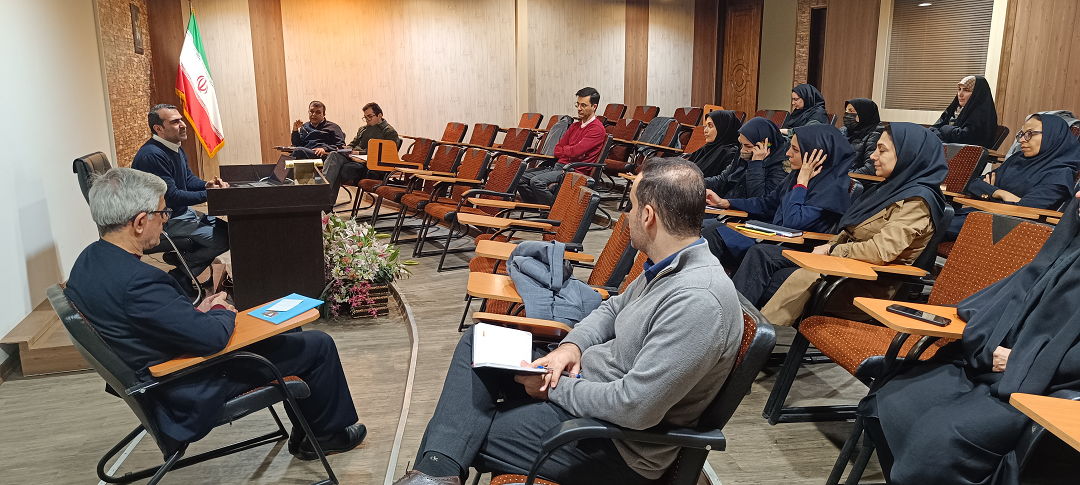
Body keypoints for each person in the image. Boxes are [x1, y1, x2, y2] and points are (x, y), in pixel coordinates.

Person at [391, 158, 744, 485]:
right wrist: (570, 348)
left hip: (615, 444)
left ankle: (433, 473)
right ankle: (434, 476)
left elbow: (634, 407)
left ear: (649, 215)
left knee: (462, 432)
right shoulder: (669, 264)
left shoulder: (698, 300)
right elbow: (611, 309)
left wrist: (553, 388)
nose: (627, 216)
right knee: (479, 341)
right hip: (588, 390)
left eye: (632, 206)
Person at [66, 167, 365, 461]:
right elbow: (212, 338)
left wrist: (195, 312)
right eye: (162, 213)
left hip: (169, 364)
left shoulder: (89, 260)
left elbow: (146, 320)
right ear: (141, 222)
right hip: (186, 386)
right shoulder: (138, 282)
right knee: (319, 346)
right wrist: (222, 309)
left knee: (289, 329)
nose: (166, 219)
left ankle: (308, 430)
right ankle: (326, 437)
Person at [858, 191, 1080, 485]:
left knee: (938, 441)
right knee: (893, 394)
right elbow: (1001, 301)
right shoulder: (1066, 247)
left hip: (1042, 391)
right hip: (989, 367)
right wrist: (988, 342)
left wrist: (1024, 362)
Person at [732, 123, 946, 327]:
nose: (873, 156)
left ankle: (743, 335)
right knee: (761, 253)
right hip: (839, 267)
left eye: (881, 150)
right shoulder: (891, 189)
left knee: (765, 278)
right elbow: (848, 231)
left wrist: (831, 250)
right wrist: (828, 250)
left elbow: (880, 251)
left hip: (860, 284)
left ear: (909, 154)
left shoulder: (917, 202)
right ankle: (734, 325)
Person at [703, 124, 853, 270]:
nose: (788, 153)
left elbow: (793, 222)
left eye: (795, 149)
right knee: (712, 231)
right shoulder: (796, 175)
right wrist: (726, 202)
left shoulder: (832, 188)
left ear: (816, 154)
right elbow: (768, 203)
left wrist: (801, 184)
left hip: (796, 247)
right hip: (774, 237)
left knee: (743, 246)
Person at [131, 104, 229, 289]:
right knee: (224, 240)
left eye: (181, 120)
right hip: (163, 219)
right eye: (175, 122)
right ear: (158, 128)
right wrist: (210, 195)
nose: (183, 125)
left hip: (181, 214)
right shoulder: (152, 156)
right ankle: (179, 275)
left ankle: (181, 261)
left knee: (231, 231)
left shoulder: (174, 146)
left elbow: (188, 179)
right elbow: (172, 197)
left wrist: (207, 185)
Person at [948, 114, 1080, 239]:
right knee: (940, 218)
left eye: (1030, 134)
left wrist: (988, 194)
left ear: (1052, 136)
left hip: (1005, 230)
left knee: (939, 224)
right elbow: (975, 184)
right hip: (978, 216)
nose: (1022, 140)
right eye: (1022, 134)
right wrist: (1001, 193)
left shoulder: (1059, 174)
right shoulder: (1017, 159)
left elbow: (1024, 208)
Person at [518, 87, 607, 206]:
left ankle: (553, 210)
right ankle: (540, 207)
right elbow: (557, 149)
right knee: (519, 177)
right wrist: (570, 151)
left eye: (583, 105)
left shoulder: (596, 129)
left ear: (594, 106)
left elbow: (575, 151)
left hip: (574, 170)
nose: (579, 108)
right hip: (559, 166)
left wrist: (569, 151)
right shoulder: (574, 126)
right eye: (578, 104)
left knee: (537, 182)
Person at [704, 117, 790, 201]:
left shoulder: (782, 164)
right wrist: (698, 182)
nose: (742, 150)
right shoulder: (745, 153)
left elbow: (759, 200)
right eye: (742, 144)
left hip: (739, 208)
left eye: (747, 146)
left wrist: (756, 164)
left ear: (766, 146)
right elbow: (722, 180)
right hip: (728, 203)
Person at [929, 75, 998, 149]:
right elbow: (932, 130)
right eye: (959, 89)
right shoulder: (953, 109)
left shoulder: (982, 114)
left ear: (977, 93)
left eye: (966, 90)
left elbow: (964, 137)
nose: (960, 94)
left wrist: (944, 128)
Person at [685, 110, 742, 178]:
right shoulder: (705, 149)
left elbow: (723, 182)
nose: (705, 131)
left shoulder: (731, 153)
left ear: (723, 128)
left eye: (710, 126)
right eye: (706, 126)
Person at [842, 98, 883, 175]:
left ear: (863, 113)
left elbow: (870, 169)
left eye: (851, 111)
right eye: (846, 111)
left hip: (858, 179)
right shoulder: (843, 131)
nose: (847, 114)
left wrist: (842, 175)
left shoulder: (875, 134)